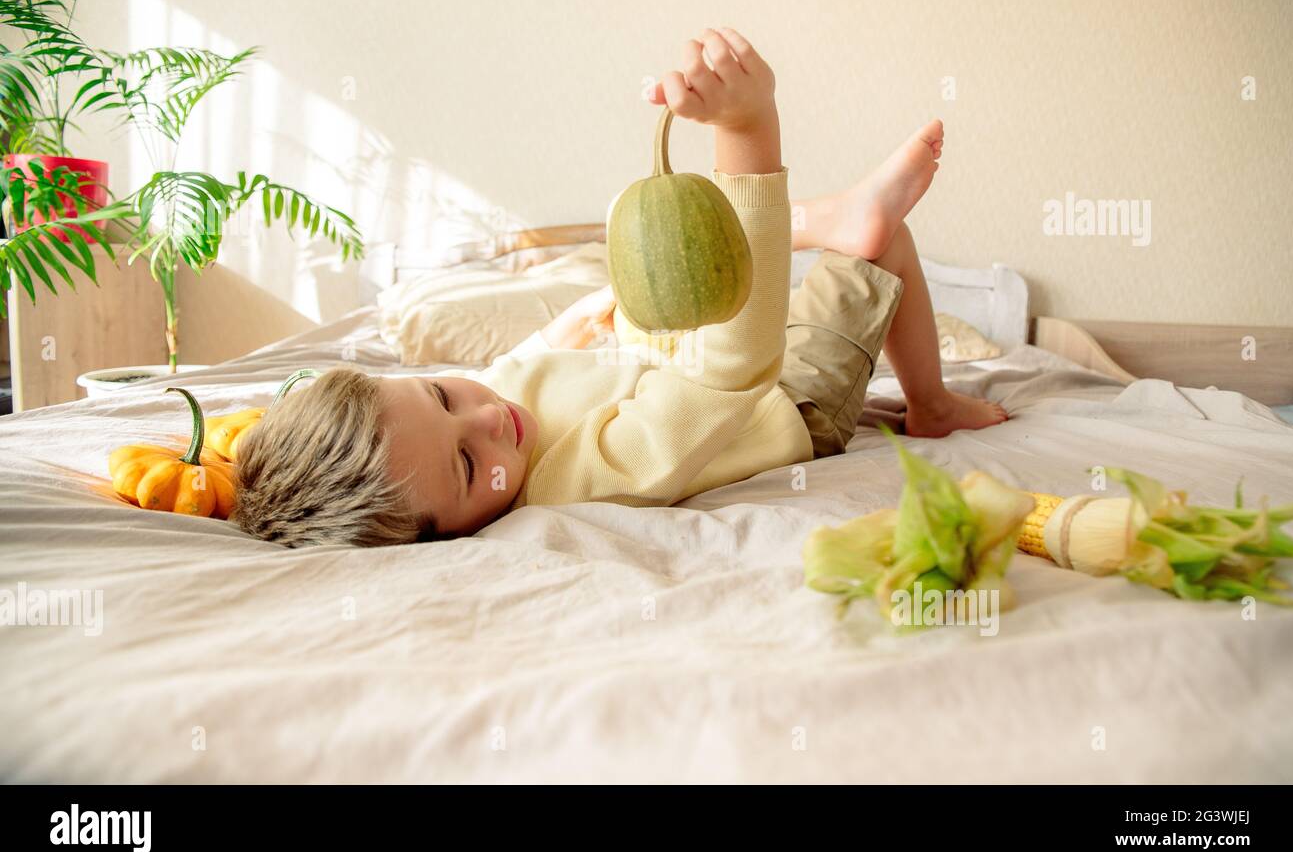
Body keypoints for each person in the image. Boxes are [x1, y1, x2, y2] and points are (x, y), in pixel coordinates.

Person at [231, 27, 1007, 547]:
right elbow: (729, 372)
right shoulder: (579, 484)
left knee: (629, 231)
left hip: (675, 357)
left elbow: (514, 372)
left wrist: (575, 324)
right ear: (446, 538)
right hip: (780, 400)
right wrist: (747, 133)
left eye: (440, 393)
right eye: (469, 467)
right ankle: (932, 405)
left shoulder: (484, 411)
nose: (488, 420)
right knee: (885, 248)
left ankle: (825, 218)